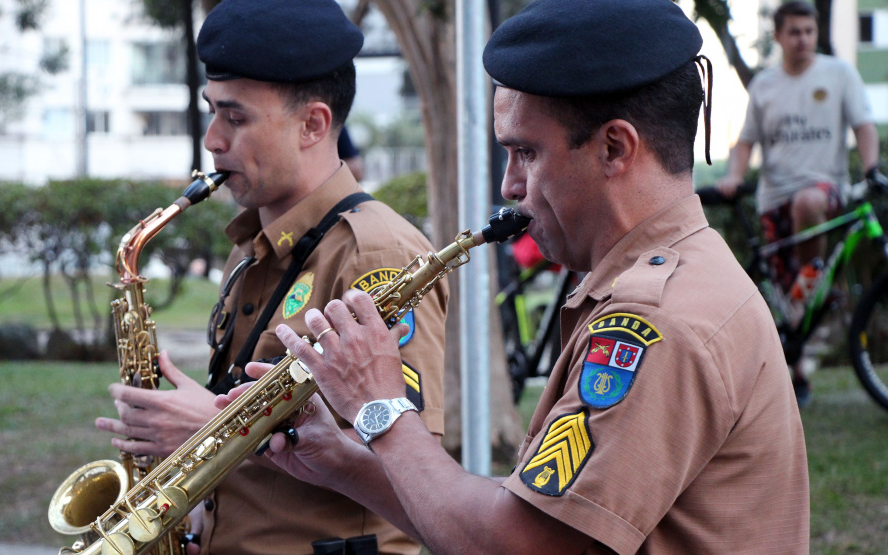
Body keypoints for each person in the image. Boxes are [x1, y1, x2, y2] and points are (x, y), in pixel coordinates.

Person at [220, 0, 811, 552]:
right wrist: (342, 464)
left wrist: (382, 409)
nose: (509, 185)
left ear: (614, 148)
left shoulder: (658, 319)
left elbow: (516, 543)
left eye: (526, 152)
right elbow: (520, 514)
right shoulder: (676, 280)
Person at [94, 1, 448, 554]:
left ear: (313, 124)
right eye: (212, 112)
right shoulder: (250, 247)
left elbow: (413, 473)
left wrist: (215, 430)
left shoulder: (377, 252)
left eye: (235, 119)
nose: (212, 140)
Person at [715, 1, 881, 404]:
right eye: (794, 32)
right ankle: (798, 374)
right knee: (787, 305)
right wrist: (734, 175)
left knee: (808, 204)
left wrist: (871, 169)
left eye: (809, 31)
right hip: (773, 198)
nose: (803, 39)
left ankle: (816, 273)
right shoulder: (765, 85)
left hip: (825, 190)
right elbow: (745, 142)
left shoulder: (839, 74)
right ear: (778, 36)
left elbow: (863, 126)